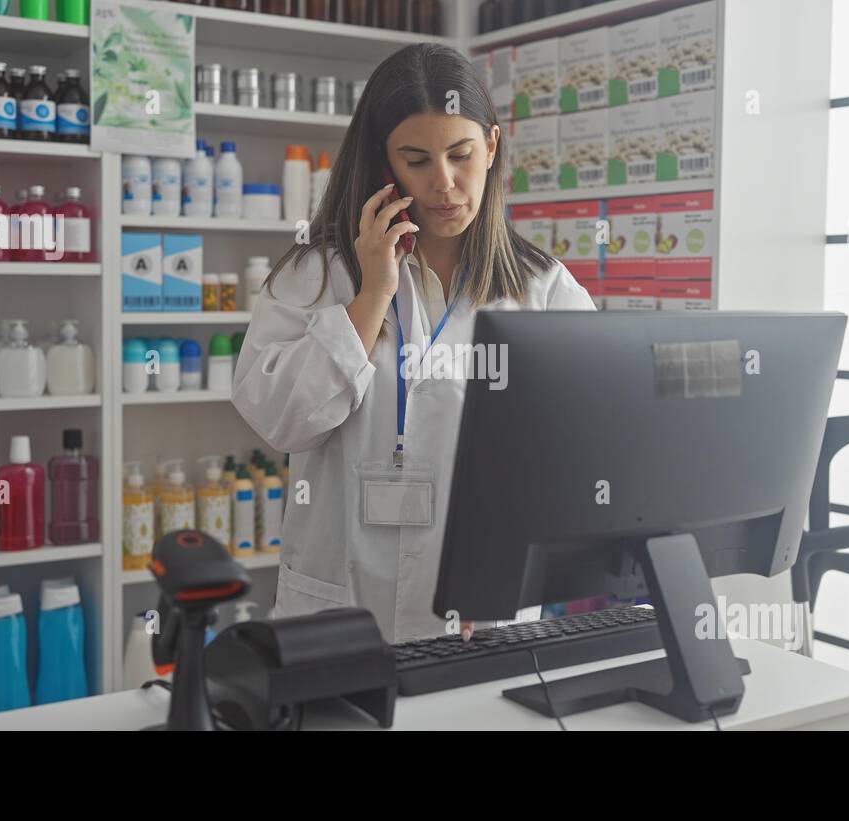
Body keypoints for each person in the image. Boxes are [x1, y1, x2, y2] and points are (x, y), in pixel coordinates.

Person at [232, 43, 595, 643]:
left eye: (461, 155)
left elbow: (581, 451)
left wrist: (513, 565)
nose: (445, 184)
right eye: (417, 160)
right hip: (341, 602)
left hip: (482, 608)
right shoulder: (321, 274)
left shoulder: (542, 287)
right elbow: (281, 421)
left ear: (493, 148)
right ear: (384, 164)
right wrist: (372, 293)